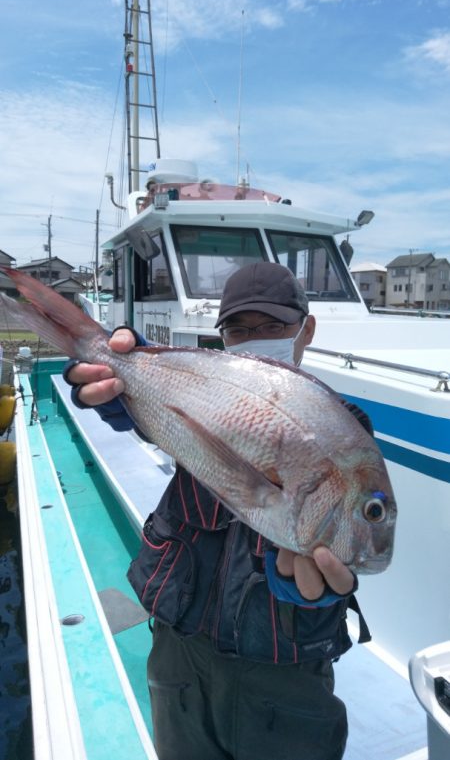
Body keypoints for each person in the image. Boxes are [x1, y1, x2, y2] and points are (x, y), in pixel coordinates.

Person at [65, 262, 371, 760]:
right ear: (222, 337)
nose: (256, 339)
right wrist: (124, 376)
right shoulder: (209, 388)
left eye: (273, 326)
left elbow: (344, 536)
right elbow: (167, 418)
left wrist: (308, 593)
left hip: (283, 674)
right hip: (180, 654)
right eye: (238, 329)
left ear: (307, 329)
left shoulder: (345, 427)